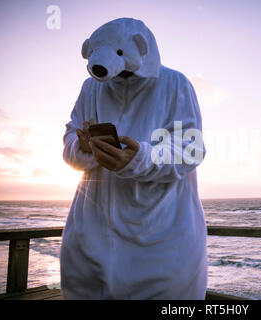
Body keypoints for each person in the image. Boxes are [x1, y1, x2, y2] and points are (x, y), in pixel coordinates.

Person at [60, 18, 207, 299]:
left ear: (142, 52)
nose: (117, 79)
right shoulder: (91, 88)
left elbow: (191, 148)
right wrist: (84, 148)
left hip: (162, 237)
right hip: (90, 235)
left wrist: (140, 157)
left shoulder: (175, 85)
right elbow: (69, 139)